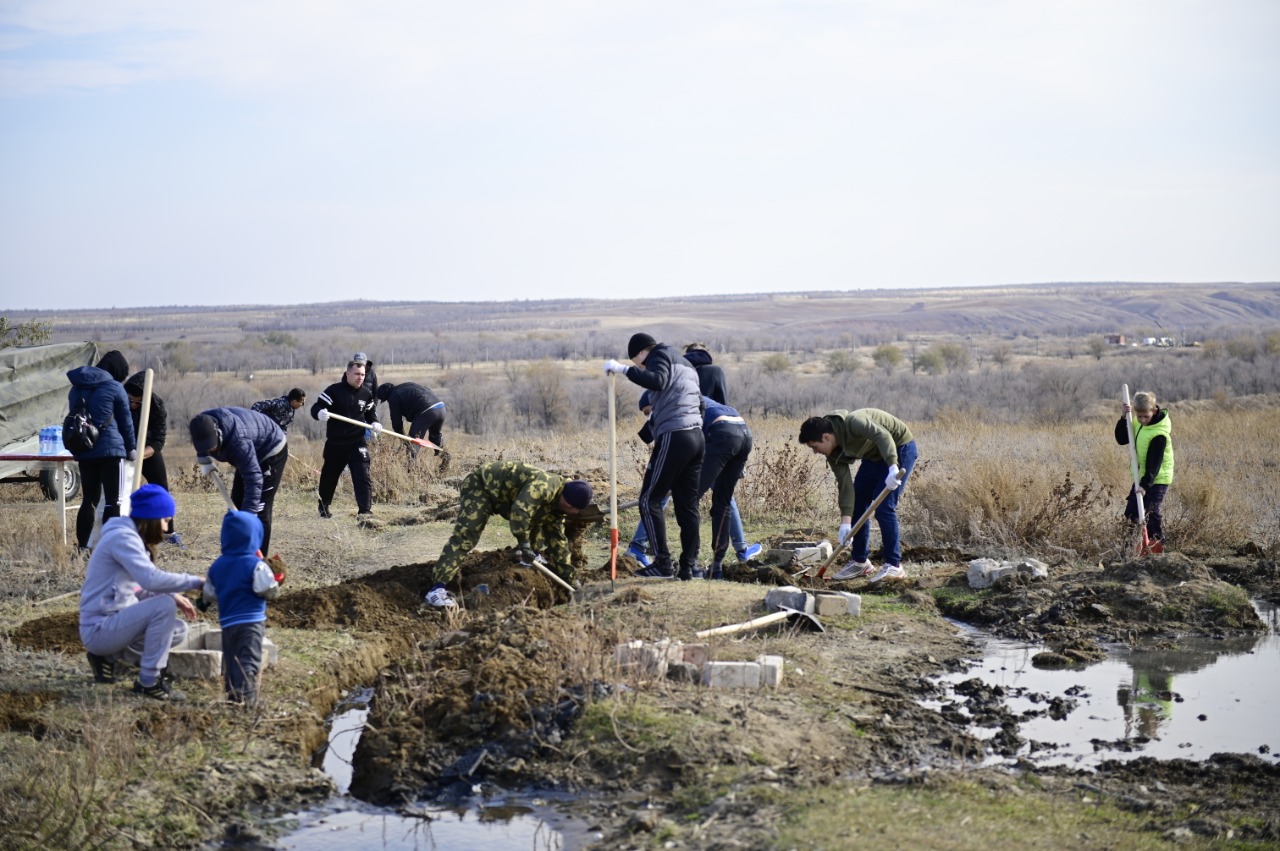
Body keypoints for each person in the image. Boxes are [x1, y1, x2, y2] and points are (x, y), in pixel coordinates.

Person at [78, 484, 204, 701]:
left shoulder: (130, 537)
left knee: (177, 631)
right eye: (164, 520)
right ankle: (149, 681)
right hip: (99, 629)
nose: (166, 529)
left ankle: (108, 656)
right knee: (163, 605)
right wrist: (197, 582)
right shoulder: (123, 539)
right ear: (150, 519)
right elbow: (150, 579)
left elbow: (137, 587)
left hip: (114, 622)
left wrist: (174, 595)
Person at [605, 333, 704, 580]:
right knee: (687, 507)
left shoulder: (658, 355)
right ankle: (689, 567)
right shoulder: (686, 364)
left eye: (639, 363)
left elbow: (657, 380)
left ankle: (662, 564)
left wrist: (623, 370)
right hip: (697, 437)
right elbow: (699, 404)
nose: (642, 368)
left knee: (649, 500)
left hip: (675, 436)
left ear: (640, 353)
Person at [426, 462, 592, 608]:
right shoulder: (544, 487)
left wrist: (570, 577)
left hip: (505, 498)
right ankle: (437, 589)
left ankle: (527, 558)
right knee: (466, 537)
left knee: (541, 522)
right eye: (572, 509)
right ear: (567, 501)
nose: (572, 513)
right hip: (483, 486)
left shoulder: (560, 504)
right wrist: (524, 543)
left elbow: (558, 540)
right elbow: (520, 511)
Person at [626, 393, 761, 571]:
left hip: (720, 435)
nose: (648, 416)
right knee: (723, 499)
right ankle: (725, 560)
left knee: (687, 500)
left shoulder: (673, 410)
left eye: (648, 411)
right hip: (741, 433)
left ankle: (691, 564)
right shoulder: (686, 398)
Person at [799, 409, 919, 583]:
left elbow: (883, 436)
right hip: (874, 456)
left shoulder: (855, 422)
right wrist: (845, 524)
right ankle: (860, 561)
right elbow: (845, 486)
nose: (815, 452)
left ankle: (894, 565)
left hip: (899, 447)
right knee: (858, 502)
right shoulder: (833, 454)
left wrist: (893, 467)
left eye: (814, 447)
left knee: (884, 507)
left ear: (826, 437)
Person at [189, 408, 288, 555]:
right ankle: (235, 555)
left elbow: (254, 478)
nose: (212, 450)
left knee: (258, 509)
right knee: (236, 505)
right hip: (250, 451)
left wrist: (249, 516)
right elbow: (202, 439)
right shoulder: (201, 424)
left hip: (270, 450)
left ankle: (256, 563)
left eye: (212, 446)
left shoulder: (238, 441)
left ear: (218, 433)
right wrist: (204, 458)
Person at [66, 350, 137, 551]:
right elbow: (126, 422)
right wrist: (131, 448)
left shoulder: (76, 387)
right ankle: (108, 549)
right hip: (111, 452)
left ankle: (83, 548)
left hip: (84, 449)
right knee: (114, 501)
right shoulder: (114, 387)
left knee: (89, 499)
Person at [202, 510, 271, 706]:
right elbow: (266, 588)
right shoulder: (255, 564)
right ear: (255, 536)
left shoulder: (217, 565)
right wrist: (275, 580)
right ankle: (248, 702)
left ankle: (232, 697)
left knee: (232, 660)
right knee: (249, 660)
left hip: (228, 622)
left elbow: (210, 594)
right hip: (252, 622)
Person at [311, 357, 381, 521]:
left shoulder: (366, 393)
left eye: (363, 375)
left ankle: (365, 511)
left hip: (357, 442)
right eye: (357, 374)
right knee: (329, 476)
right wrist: (319, 413)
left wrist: (375, 423)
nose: (360, 378)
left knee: (362, 474)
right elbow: (317, 407)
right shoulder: (334, 391)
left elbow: (371, 414)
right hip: (336, 443)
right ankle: (324, 507)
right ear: (348, 373)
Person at [123, 371, 182, 548]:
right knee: (122, 491)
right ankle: (128, 530)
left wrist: (140, 455)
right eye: (130, 400)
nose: (133, 405)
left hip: (146, 448)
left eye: (138, 402)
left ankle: (168, 533)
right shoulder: (119, 400)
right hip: (123, 449)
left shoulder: (156, 406)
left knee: (161, 487)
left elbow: (159, 440)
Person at [1114, 391, 1174, 553]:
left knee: (1151, 512)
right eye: (1139, 416)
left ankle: (1157, 549)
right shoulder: (1138, 422)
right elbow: (1122, 439)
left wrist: (1146, 484)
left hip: (1157, 477)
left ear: (1154, 411)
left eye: (1145, 417)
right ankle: (1126, 550)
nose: (1142, 420)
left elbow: (1154, 463)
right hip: (1142, 477)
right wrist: (1122, 418)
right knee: (1132, 512)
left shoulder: (1159, 434)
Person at [375, 381, 446, 456]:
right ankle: (445, 458)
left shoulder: (393, 396)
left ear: (386, 396)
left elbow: (396, 423)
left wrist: (404, 438)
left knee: (413, 444)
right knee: (435, 437)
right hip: (441, 408)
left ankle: (411, 467)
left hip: (427, 411)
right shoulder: (405, 386)